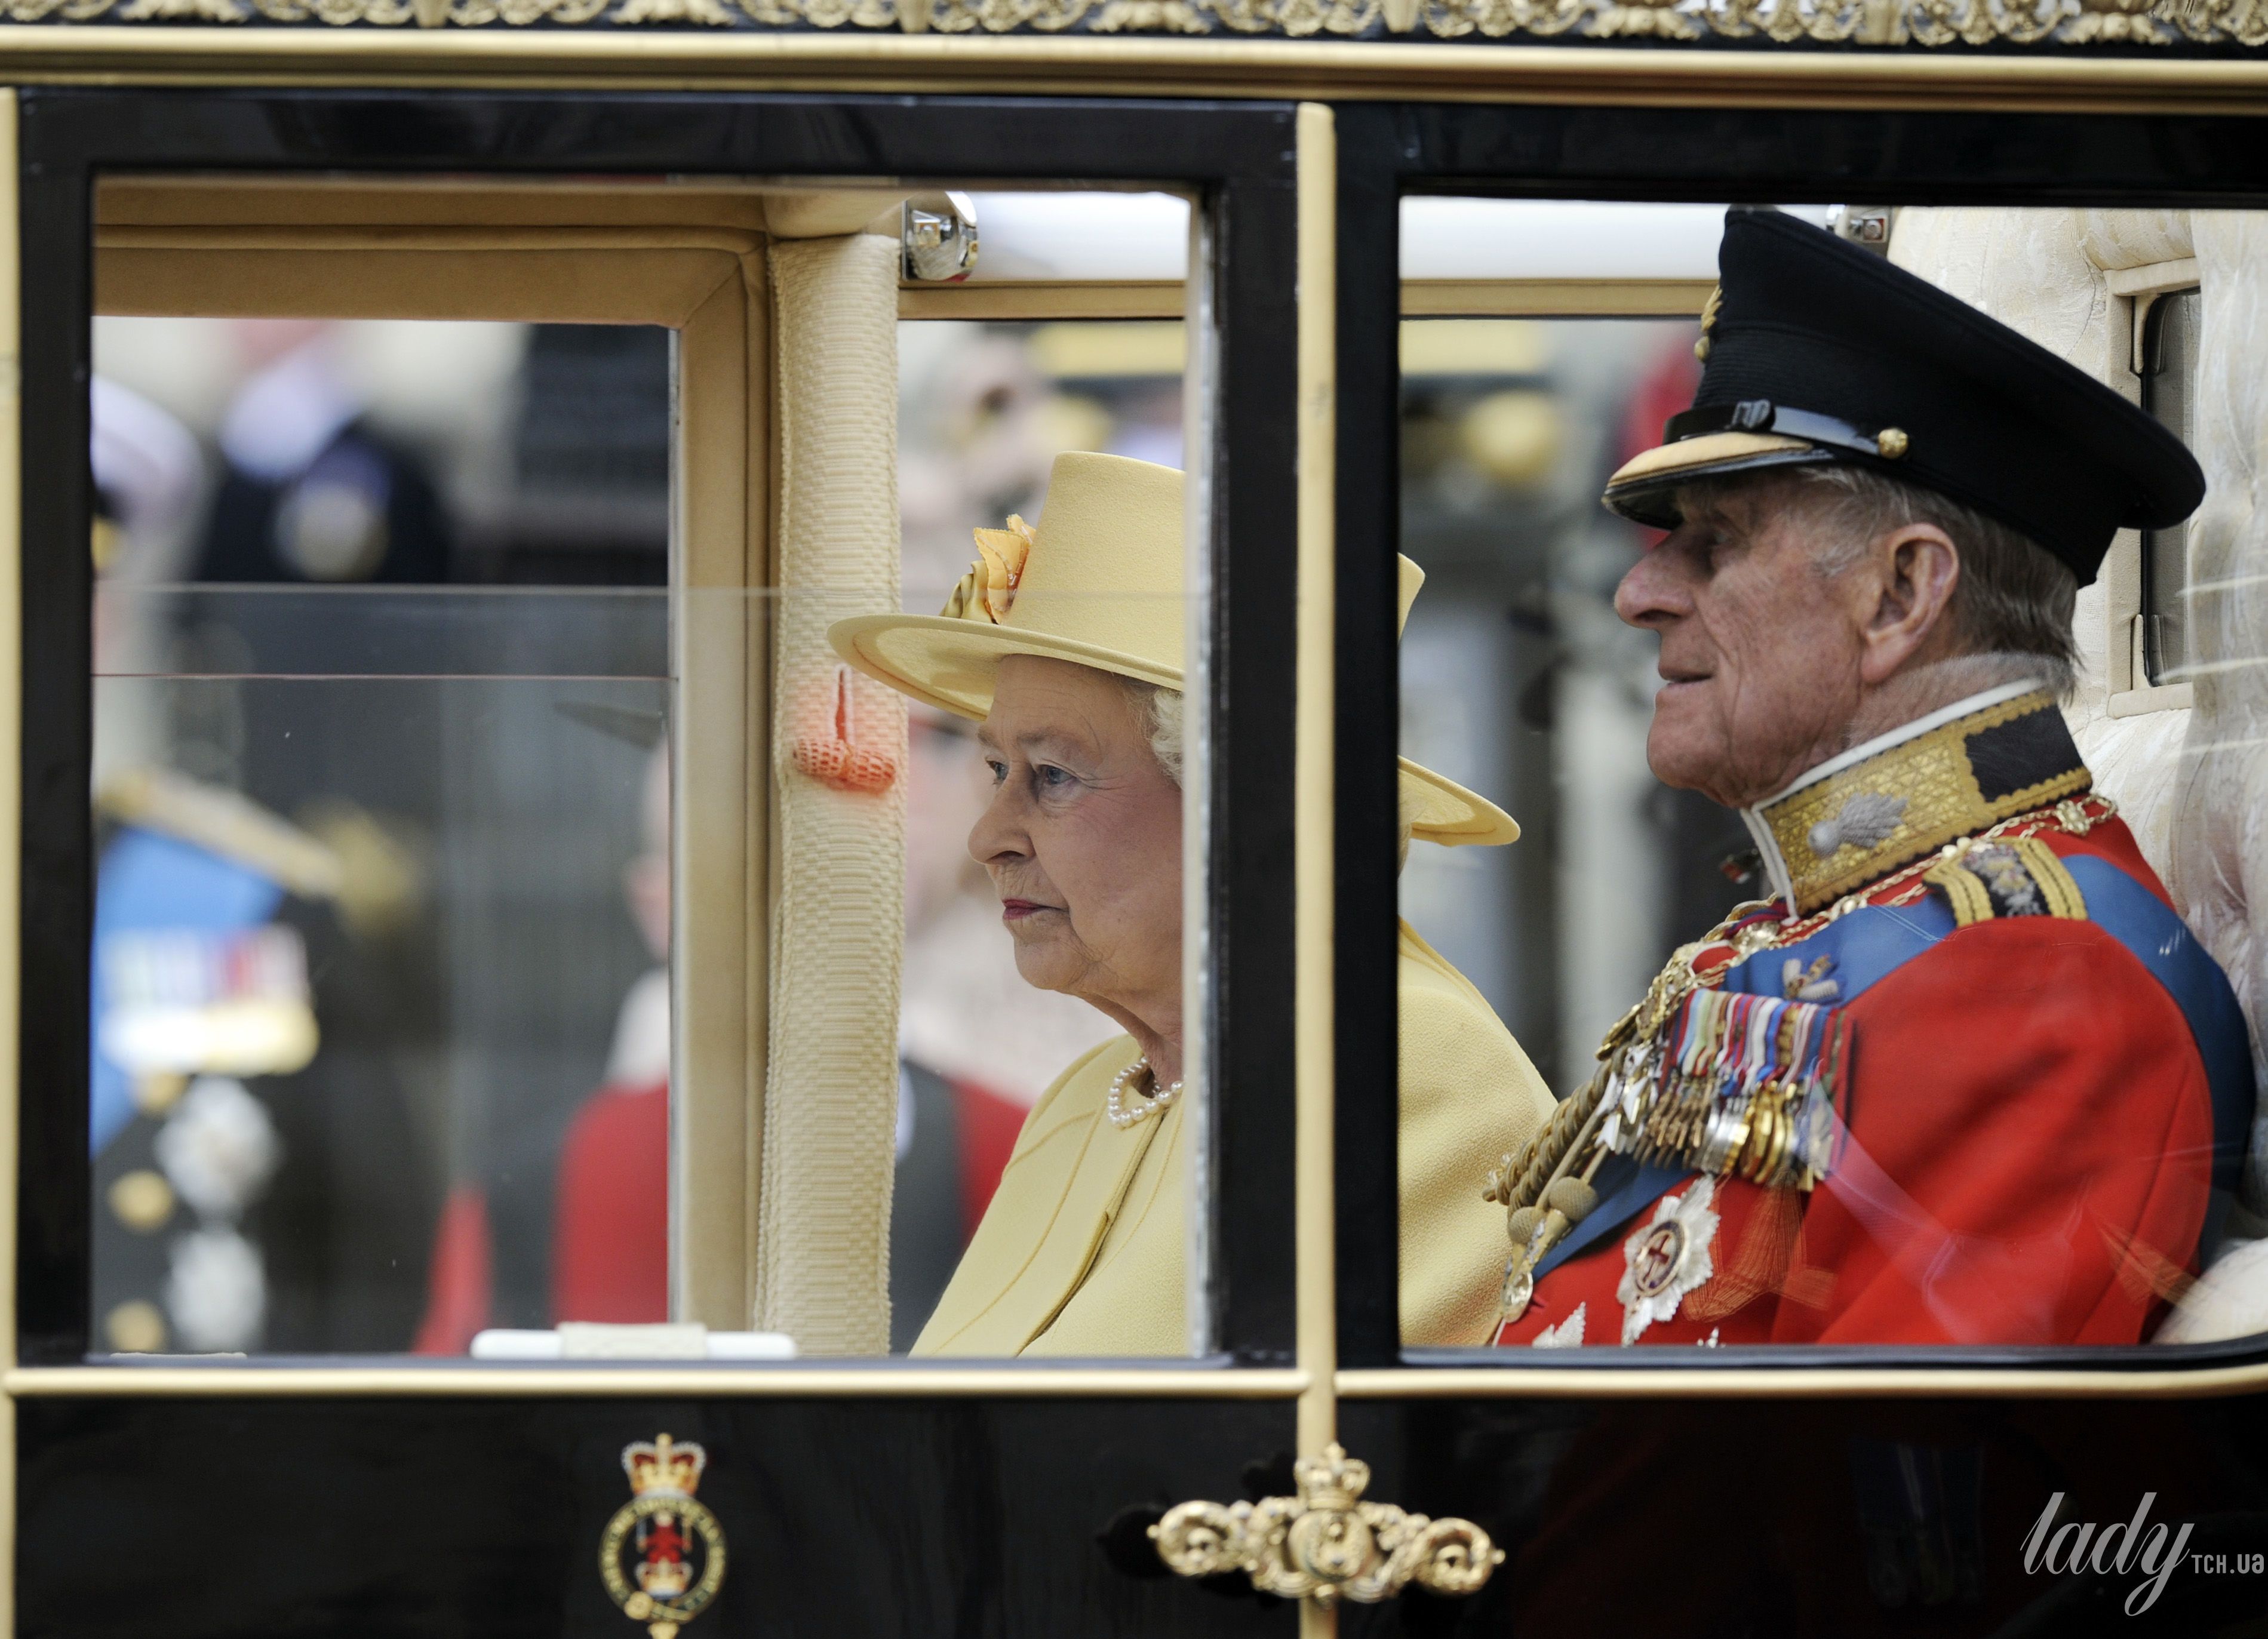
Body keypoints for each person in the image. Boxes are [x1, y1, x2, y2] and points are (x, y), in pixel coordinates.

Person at [1489, 208, 2254, 1351]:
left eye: (1716, 542)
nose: (1639, 595)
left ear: (1901, 596)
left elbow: (1878, 1503)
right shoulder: (1852, 929)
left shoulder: (2033, 987)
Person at [831, 451, 1553, 1355]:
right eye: (993, 769)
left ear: (1244, 808)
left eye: (1051, 774)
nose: (990, 836)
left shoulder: (1401, 1062)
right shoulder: (1085, 1096)